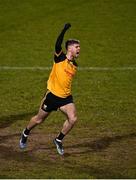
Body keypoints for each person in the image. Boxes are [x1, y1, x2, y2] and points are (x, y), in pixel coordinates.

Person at [19, 23, 80, 155]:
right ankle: (26, 132)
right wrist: (64, 30)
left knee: (73, 118)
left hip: (66, 98)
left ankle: (58, 140)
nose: (79, 49)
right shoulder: (60, 58)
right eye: (77, 47)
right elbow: (57, 45)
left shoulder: (74, 64)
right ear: (70, 49)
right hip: (52, 96)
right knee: (39, 120)